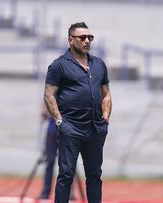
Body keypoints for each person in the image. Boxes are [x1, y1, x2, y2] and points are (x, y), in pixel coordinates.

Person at [43, 22, 112, 203]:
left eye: (90, 37)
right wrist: (60, 122)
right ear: (70, 40)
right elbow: (49, 95)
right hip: (70, 128)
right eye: (82, 37)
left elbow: (106, 94)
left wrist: (105, 117)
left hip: (95, 128)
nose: (87, 41)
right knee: (66, 175)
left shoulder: (99, 64)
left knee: (95, 176)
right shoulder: (58, 65)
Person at [38, 104, 75, 200]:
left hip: (66, 130)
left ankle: (69, 192)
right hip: (52, 131)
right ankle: (46, 191)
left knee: (68, 163)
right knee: (49, 162)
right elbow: (44, 112)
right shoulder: (51, 92)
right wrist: (45, 112)